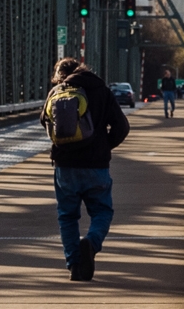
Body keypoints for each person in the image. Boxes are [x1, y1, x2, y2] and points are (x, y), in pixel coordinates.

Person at [44, 55, 130, 281]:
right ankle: (91, 243)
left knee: (67, 217)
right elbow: (121, 127)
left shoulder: (56, 93)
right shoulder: (100, 89)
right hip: (96, 166)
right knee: (102, 211)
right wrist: (103, 147)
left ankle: (74, 265)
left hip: (65, 166)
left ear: (60, 76)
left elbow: (44, 122)